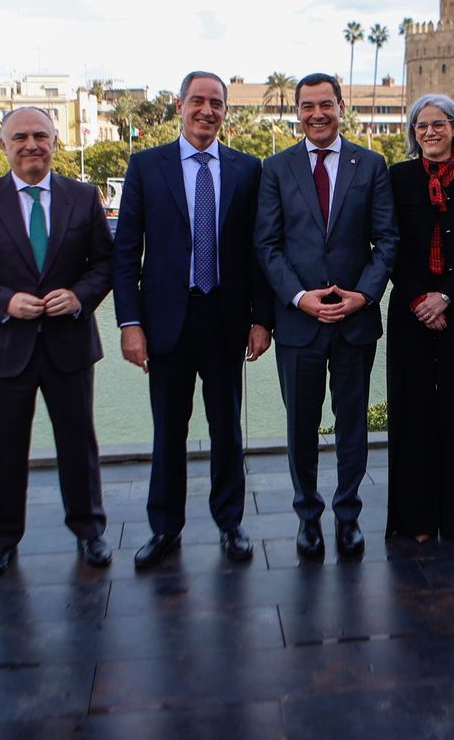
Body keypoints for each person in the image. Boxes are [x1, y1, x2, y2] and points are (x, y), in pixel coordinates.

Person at [0, 106, 115, 581]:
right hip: (2, 348)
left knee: (78, 445)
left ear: (55, 142)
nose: (31, 144)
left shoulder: (83, 198)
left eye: (41, 135)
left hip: (69, 345)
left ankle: (89, 530)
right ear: (4, 145)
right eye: (20, 137)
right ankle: (2, 540)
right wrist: (5, 301)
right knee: (3, 450)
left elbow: (105, 263)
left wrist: (79, 296)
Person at [112, 71, 273, 569]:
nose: (207, 110)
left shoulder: (249, 169)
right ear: (179, 106)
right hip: (166, 322)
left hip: (226, 317)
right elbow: (125, 253)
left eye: (216, 103)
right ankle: (165, 528)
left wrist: (262, 319)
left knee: (227, 429)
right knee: (169, 431)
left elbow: (259, 251)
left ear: (227, 111)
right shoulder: (146, 165)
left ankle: (230, 524)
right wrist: (129, 323)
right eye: (198, 101)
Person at [254, 72, 397, 559]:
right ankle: (307, 517)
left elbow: (388, 241)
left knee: (352, 422)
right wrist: (298, 298)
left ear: (341, 107)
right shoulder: (275, 168)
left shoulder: (371, 164)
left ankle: (348, 515)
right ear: (298, 111)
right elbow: (267, 246)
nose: (317, 113)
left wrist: (365, 295)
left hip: (355, 322)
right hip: (298, 323)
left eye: (326, 104)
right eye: (308, 105)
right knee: (301, 425)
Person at [385, 93, 454, 543]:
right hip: (410, 311)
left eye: (438, 123)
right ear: (414, 133)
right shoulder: (395, 178)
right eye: (421, 125)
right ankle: (415, 521)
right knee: (411, 414)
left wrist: (445, 296)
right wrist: (420, 301)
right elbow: (388, 245)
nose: (429, 131)